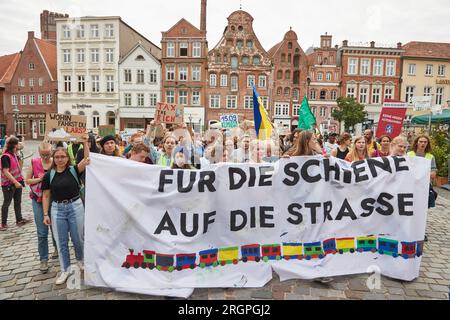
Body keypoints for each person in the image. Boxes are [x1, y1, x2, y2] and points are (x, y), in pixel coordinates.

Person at [42, 135, 90, 285]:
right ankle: (65, 269)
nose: (60, 159)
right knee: (61, 241)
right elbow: (46, 195)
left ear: (67, 158)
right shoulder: (49, 175)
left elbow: (87, 160)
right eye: (57, 157)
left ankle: (81, 260)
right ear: (53, 158)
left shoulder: (74, 170)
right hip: (57, 209)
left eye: (63, 156)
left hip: (75, 206)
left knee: (78, 238)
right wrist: (45, 214)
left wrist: (85, 142)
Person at [25, 142, 58, 273]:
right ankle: (43, 259)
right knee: (42, 232)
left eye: (48, 154)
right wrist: (40, 179)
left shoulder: (55, 163)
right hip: (38, 200)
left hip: (54, 200)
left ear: (52, 152)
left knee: (55, 228)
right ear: (39, 153)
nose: (45, 157)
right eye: (43, 155)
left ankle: (57, 249)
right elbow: (27, 180)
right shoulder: (34, 162)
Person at [1, 136, 30, 231]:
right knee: (7, 203)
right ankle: (3, 223)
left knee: (18, 202)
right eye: (18, 143)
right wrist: (15, 182)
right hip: (9, 184)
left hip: (17, 181)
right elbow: (5, 171)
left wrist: (19, 156)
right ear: (14, 145)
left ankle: (19, 219)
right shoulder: (5, 156)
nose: (20, 145)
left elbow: (19, 167)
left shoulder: (14, 154)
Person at [407, 135, 438, 218]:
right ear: (416, 143)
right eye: (421, 141)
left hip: (424, 186)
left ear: (427, 144)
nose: (423, 143)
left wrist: (429, 173)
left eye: (425, 142)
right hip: (411, 185)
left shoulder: (431, 157)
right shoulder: (409, 155)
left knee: (422, 208)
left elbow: (434, 173)